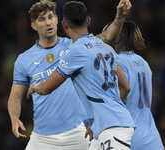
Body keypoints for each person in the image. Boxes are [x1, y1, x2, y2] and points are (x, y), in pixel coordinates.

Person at [7, 0, 132, 149]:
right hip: (42, 137)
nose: (48, 22)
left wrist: (119, 17)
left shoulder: (74, 46)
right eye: (42, 19)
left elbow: (106, 37)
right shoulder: (24, 59)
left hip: (78, 132)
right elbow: (15, 96)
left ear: (58, 21)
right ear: (34, 25)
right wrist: (14, 118)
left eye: (50, 17)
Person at [112, 21, 164, 150]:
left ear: (116, 38)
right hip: (152, 137)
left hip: (129, 137)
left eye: (107, 32)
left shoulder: (117, 63)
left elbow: (117, 100)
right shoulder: (143, 62)